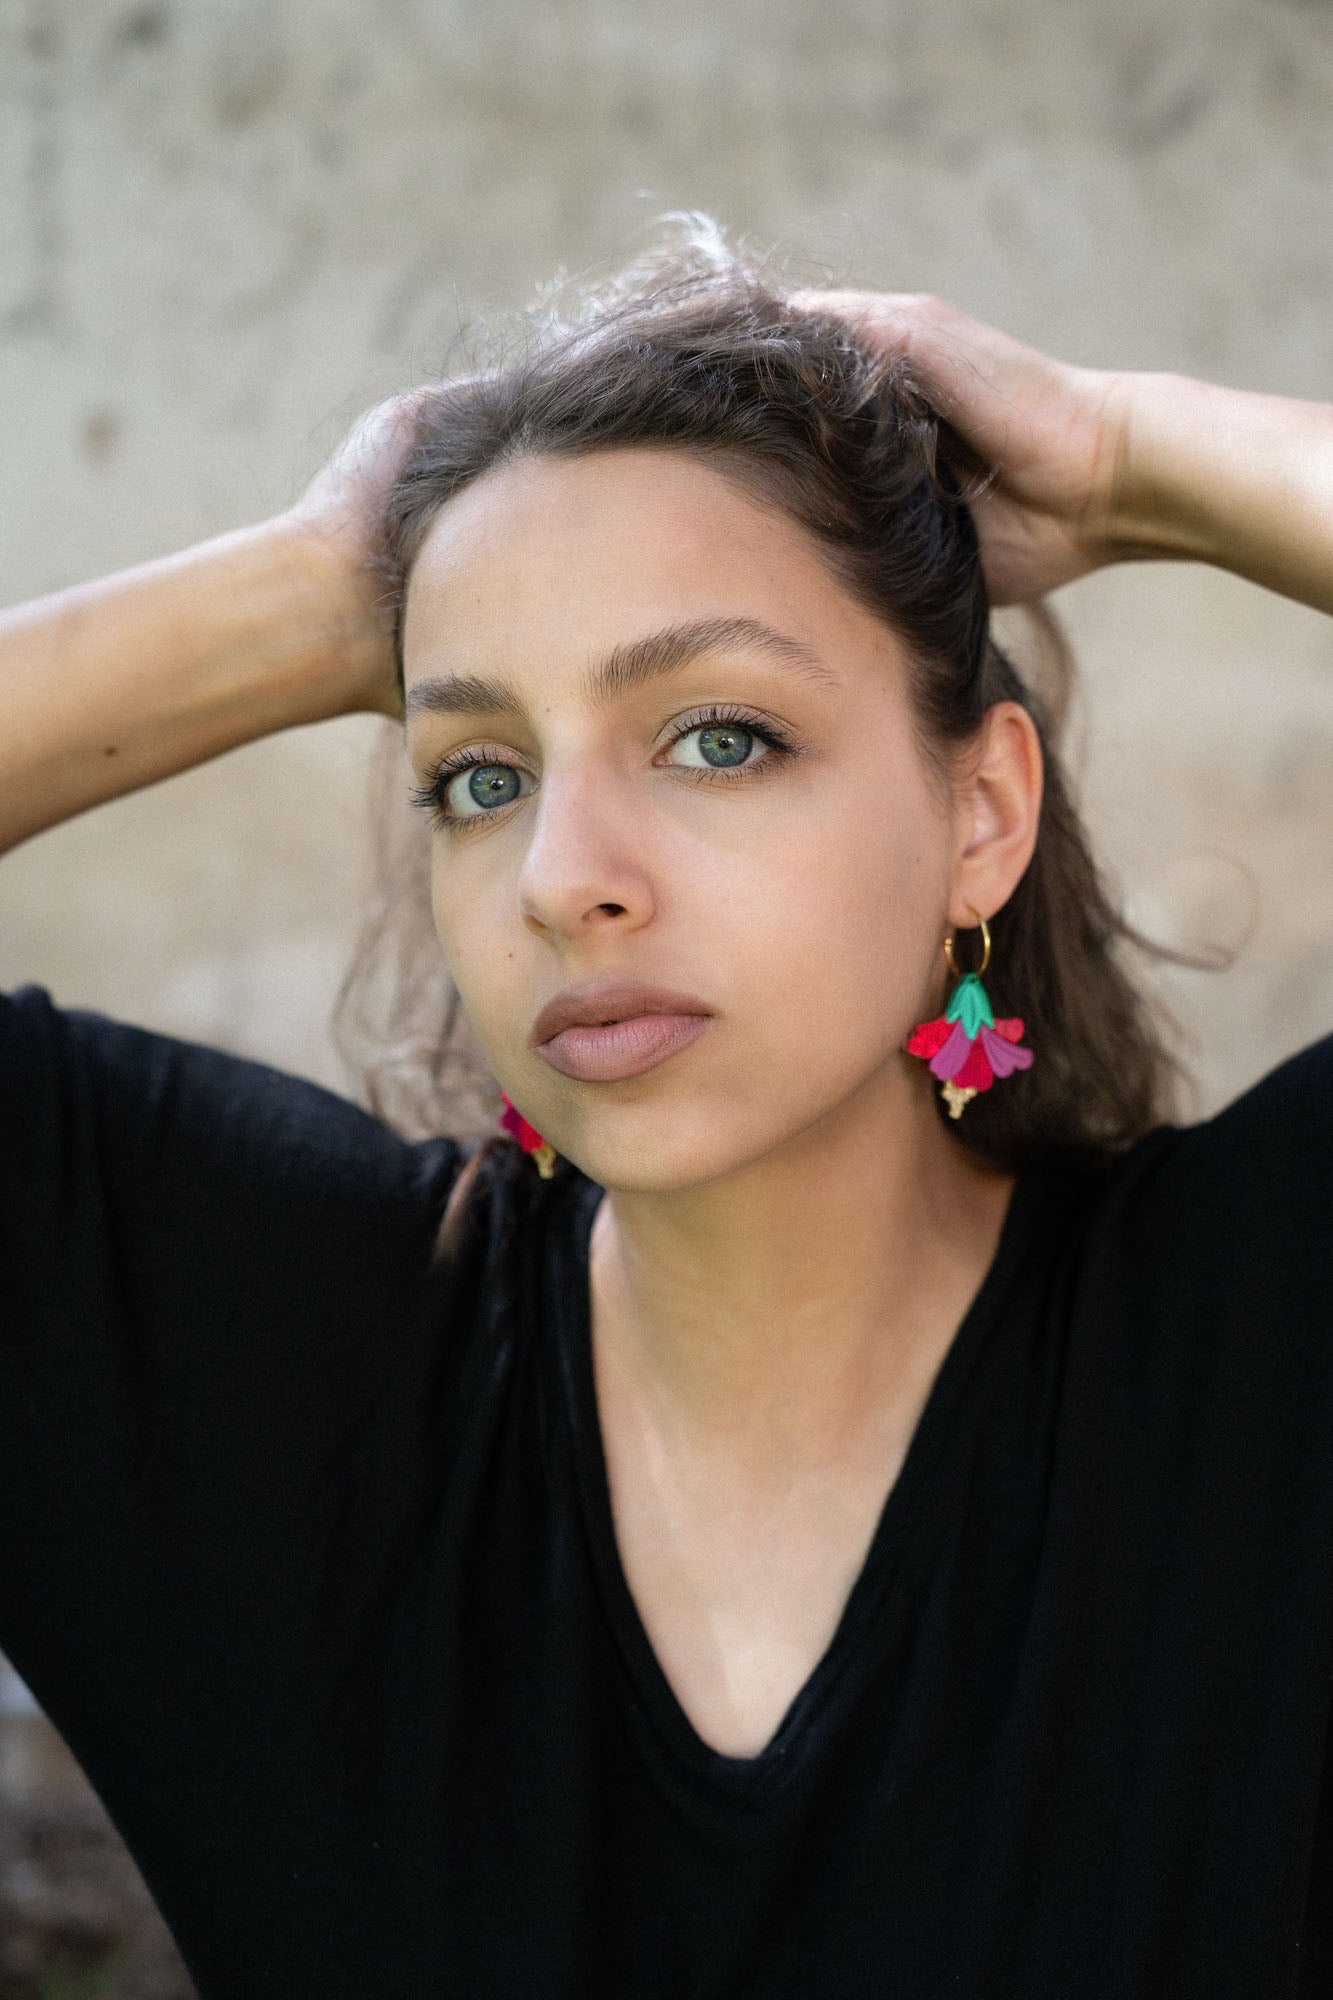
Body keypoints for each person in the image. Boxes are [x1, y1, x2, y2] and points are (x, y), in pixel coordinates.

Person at [1, 217, 1330, 1998]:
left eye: (716, 736)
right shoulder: (260, 1368)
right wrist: (312, 595)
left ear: (979, 817)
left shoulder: (1265, 1341)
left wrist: (1132, 454)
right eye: (478, 774)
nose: (562, 877)